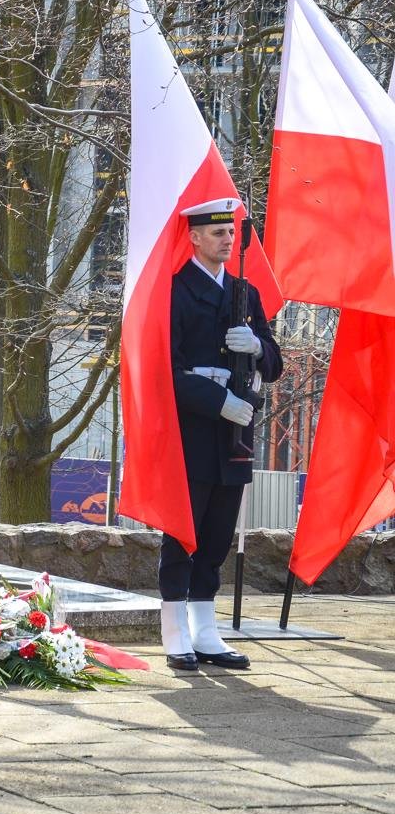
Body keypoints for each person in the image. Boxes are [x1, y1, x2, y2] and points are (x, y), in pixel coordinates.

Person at [161, 197, 282, 672]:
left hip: (234, 433)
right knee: (183, 533)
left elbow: (273, 361)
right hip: (194, 428)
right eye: (217, 233)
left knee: (216, 537)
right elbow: (167, 370)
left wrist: (256, 346)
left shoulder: (245, 294)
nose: (227, 241)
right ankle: (175, 633)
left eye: (231, 233)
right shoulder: (175, 291)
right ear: (193, 237)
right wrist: (217, 400)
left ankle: (206, 633)